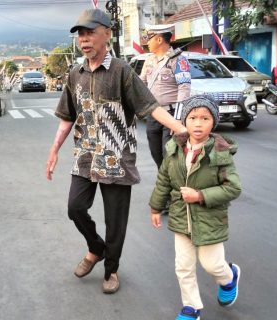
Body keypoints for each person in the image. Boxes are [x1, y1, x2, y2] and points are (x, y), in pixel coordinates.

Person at [45, 8, 186, 294]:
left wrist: (180, 128)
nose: (84, 40)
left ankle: (111, 270)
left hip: (118, 159)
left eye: (90, 33)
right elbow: (67, 117)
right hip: (85, 157)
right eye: (80, 35)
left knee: (115, 221)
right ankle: (95, 248)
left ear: (107, 34)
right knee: (75, 208)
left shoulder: (121, 71)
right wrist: (54, 149)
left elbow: (151, 106)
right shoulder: (75, 73)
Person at [149, 95, 242, 320]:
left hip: (210, 219)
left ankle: (229, 277)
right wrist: (155, 207)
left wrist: (200, 195)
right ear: (184, 120)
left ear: (214, 122)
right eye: (192, 118)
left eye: (205, 118)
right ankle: (191, 308)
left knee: (212, 265)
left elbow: (233, 188)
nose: (198, 123)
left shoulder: (220, 152)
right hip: (181, 218)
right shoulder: (173, 149)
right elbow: (164, 179)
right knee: (183, 267)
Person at [139, 24, 191, 169]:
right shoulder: (149, 60)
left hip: (172, 114)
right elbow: (141, 84)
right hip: (154, 114)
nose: (147, 42)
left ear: (159, 39)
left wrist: (178, 118)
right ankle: (165, 180)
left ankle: (171, 185)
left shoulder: (178, 60)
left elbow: (184, 88)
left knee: (169, 153)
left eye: (149, 38)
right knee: (156, 153)